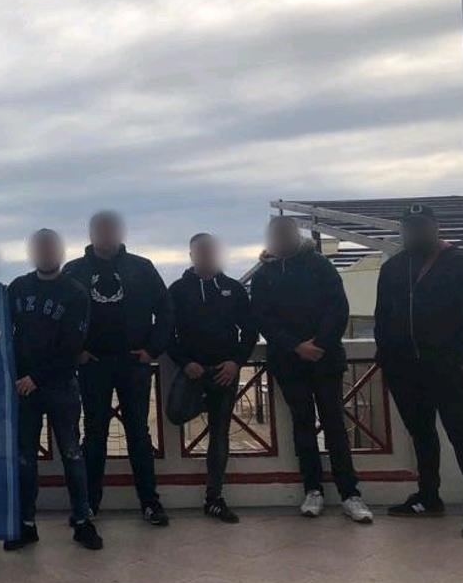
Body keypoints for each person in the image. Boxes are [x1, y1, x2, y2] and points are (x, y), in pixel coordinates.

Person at [375, 204, 463, 538]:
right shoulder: (394, 268)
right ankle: (428, 497)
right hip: (404, 371)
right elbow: (382, 316)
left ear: (435, 227)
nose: (415, 233)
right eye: (409, 227)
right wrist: (387, 358)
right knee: (422, 436)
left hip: (447, 370)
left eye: (421, 226)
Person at [249, 217, 373, 523]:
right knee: (302, 425)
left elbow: (338, 308)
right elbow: (263, 319)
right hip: (289, 362)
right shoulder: (264, 275)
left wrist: (319, 343)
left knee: (334, 425)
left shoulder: (320, 265)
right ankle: (312, 490)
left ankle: (350, 494)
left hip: (326, 359)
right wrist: (296, 346)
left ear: (295, 234)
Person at [63, 211, 173, 526]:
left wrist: (152, 350)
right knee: (94, 435)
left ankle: (150, 503)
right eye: (100, 229)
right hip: (92, 366)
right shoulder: (74, 272)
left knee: (139, 433)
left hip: (133, 365)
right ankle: (88, 504)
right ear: (91, 233)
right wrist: (77, 352)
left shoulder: (142, 268)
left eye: (111, 229)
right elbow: (61, 318)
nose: (106, 234)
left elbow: (165, 312)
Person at [5, 229, 104, 551]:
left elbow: (72, 345)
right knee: (24, 458)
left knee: (73, 454)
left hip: (60, 385)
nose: (46, 252)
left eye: (51, 247)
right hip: (24, 390)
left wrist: (37, 377)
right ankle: (25, 523)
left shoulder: (74, 292)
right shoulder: (18, 289)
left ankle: (82, 520)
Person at [166, 233, 256, 524]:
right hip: (192, 370)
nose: (206, 255)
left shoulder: (233, 289)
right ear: (192, 255)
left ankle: (214, 498)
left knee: (220, 434)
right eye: (200, 251)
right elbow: (168, 333)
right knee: (176, 413)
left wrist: (236, 362)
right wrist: (185, 362)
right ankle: (202, 403)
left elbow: (250, 331)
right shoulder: (178, 290)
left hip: (224, 372)